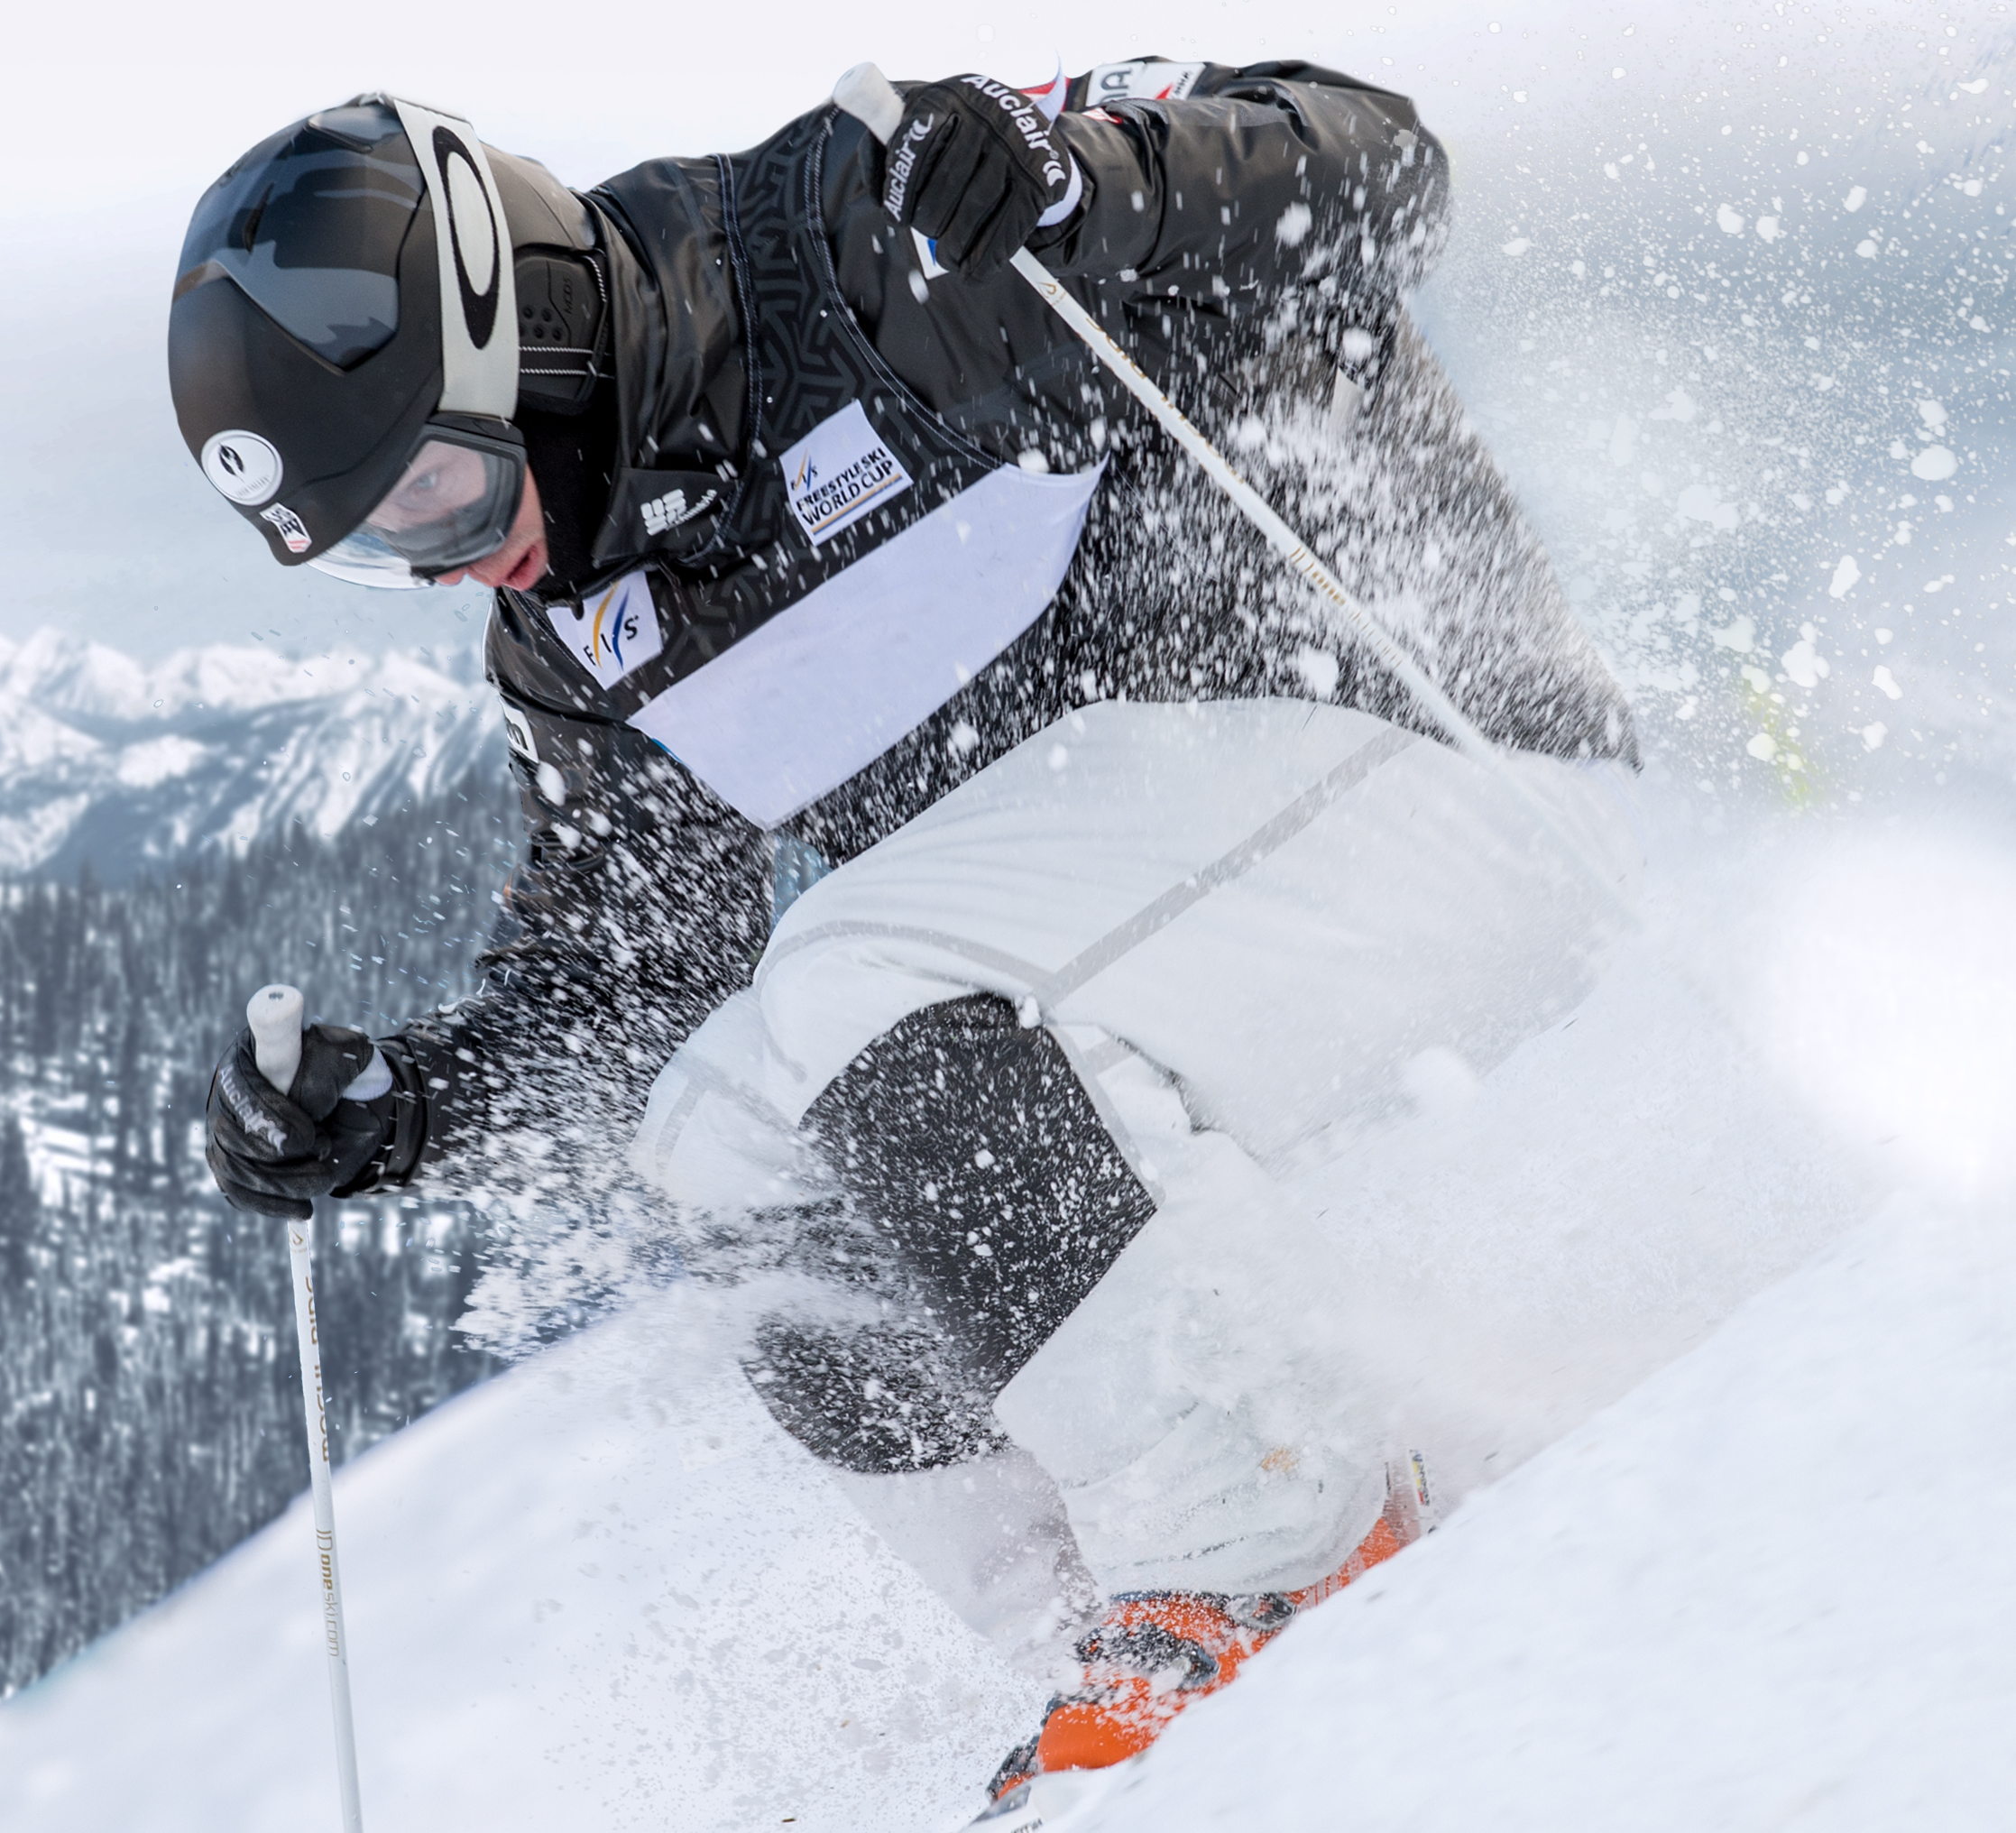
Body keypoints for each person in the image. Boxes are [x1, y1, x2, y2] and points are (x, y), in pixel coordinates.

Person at [173, 59, 1639, 1809]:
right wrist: (413, 1102)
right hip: (1179, 983)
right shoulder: (578, 628)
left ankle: (1266, 1536)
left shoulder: (859, 240)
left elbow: (1376, 168)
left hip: (1452, 790)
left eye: (430, 500)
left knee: (853, 974)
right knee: (722, 1137)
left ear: (529, 340)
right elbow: (634, 975)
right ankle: (1122, 1628)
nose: (445, 570)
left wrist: (1103, 180)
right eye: (372, 557)